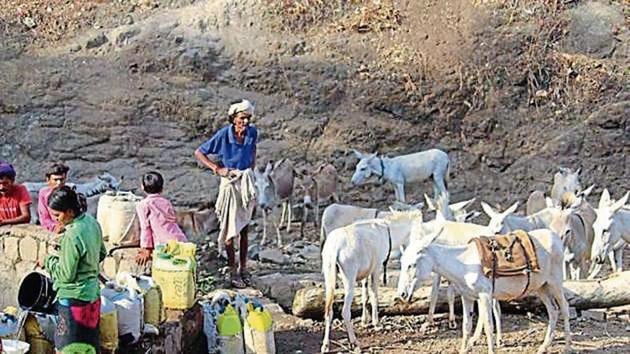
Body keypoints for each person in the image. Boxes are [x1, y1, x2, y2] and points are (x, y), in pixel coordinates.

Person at [194, 99, 258, 288]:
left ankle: (243, 268)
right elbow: (199, 152)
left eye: (248, 119)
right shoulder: (224, 135)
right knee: (230, 229)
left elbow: (253, 150)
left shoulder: (252, 133)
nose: (245, 122)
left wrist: (250, 171)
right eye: (242, 118)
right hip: (229, 181)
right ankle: (232, 270)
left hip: (245, 181)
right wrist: (217, 168)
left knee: (244, 228)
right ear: (233, 118)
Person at [44, 186, 106, 354]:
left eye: (58, 215)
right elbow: (102, 253)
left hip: (73, 300)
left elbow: (66, 276)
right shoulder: (91, 222)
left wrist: (50, 261)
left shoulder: (72, 236)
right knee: (89, 346)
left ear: (70, 211)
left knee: (67, 347)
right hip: (92, 296)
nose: (56, 220)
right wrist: (87, 266)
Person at [135, 171, 188, 266]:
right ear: (162, 189)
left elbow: (145, 228)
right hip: (180, 239)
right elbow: (172, 219)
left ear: (142, 187)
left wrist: (146, 249)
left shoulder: (143, 205)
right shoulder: (166, 202)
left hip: (165, 244)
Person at [38, 162, 70, 233]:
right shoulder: (44, 194)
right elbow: (44, 218)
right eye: (55, 180)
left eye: (61, 180)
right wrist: (54, 227)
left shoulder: (69, 193)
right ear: (48, 180)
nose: (59, 183)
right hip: (51, 229)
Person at [0, 162, 31, 226]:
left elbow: (26, 217)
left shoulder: (20, 190)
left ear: (12, 181)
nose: (2, 187)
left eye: (5, 183)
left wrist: (3, 222)